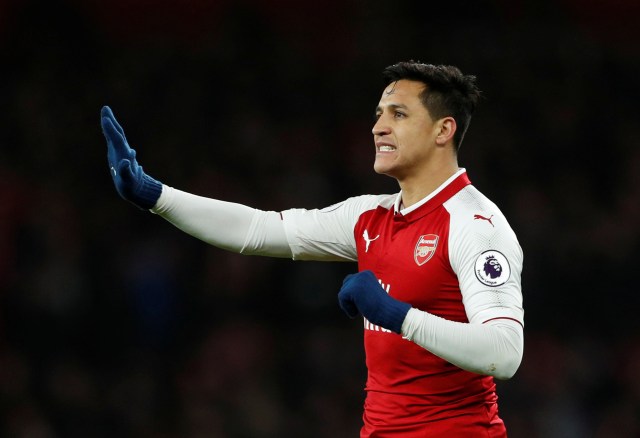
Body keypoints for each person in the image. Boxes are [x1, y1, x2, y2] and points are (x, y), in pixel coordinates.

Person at [101, 61, 524, 437]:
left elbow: (503, 353)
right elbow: (258, 229)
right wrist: (154, 195)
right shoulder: (368, 218)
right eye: (378, 115)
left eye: (399, 114)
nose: (378, 127)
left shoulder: (475, 225)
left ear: (443, 130)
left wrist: (396, 314)